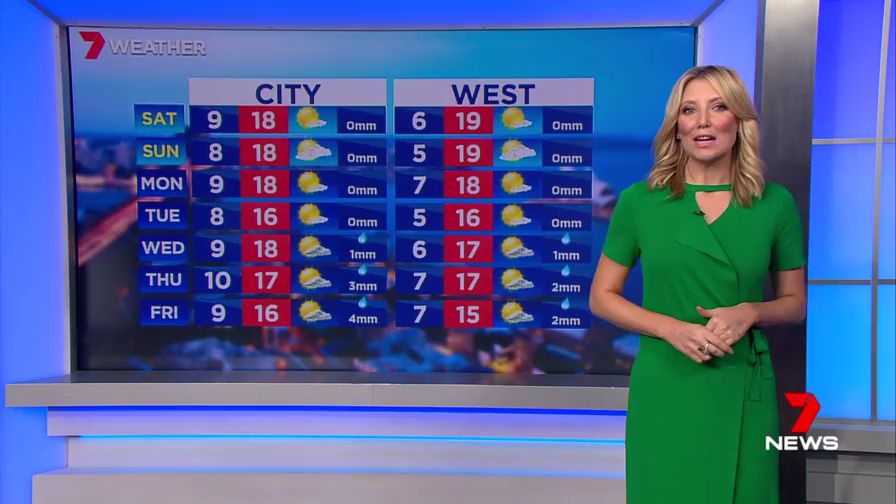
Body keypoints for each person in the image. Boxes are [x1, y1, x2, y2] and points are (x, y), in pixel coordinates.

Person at [588, 65, 807, 503]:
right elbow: (602, 297)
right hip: (666, 380)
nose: (703, 122)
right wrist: (671, 329)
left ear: (739, 121)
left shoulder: (774, 203)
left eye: (718, 107)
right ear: (677, 126)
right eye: (690, 110)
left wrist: (750, 312)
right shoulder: (639, 202)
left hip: (740, 378)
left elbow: (794, 303)